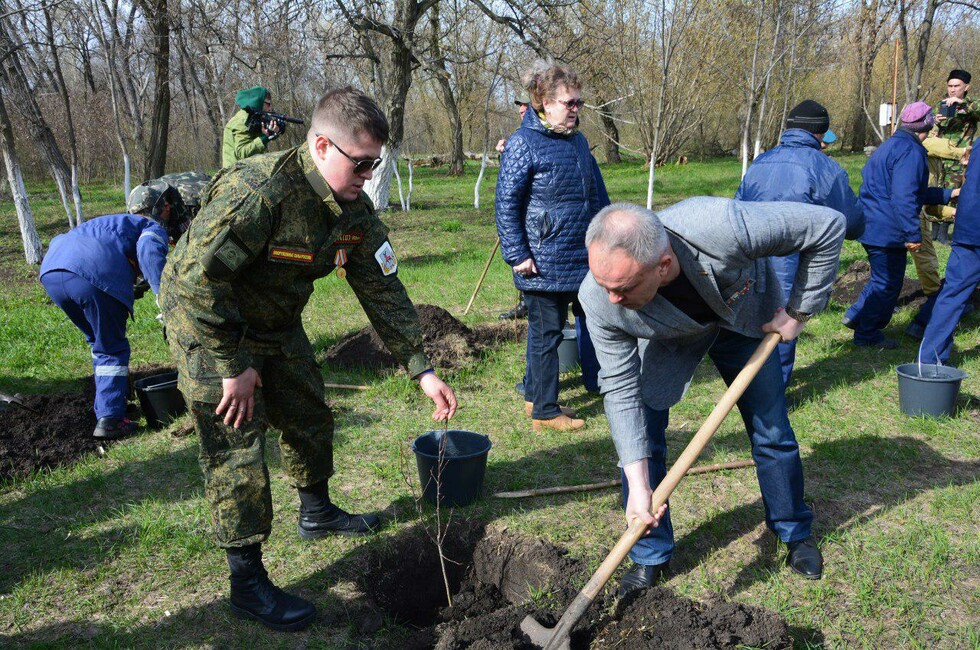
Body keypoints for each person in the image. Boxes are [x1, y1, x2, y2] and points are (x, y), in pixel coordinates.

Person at [160, 87, 458, 632]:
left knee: (309, 416)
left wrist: (423, 368)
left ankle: (316, 511)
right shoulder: (260, 192)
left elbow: (382, 288)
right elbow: (193, 283)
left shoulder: (353, 210)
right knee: (238, 451)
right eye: (362, 163)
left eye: (375, 164)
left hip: (277, 325)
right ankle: (247, 582)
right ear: (322, 146)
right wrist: (232, 364)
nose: (368, 175)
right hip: (211, 327)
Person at [580, 199, 845, 597]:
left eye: (623, 288)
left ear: (663, 265)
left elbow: (826, 225)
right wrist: (638, 484)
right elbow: (619, 387)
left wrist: (799, 311)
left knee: (771, 426)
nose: (612, 299)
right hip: (670, 336)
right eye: (605, 285)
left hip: (743, 315)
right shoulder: (600, 298)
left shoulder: (721, 226)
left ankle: (793, 531)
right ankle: (649, 553)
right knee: (644, 434)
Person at [495, 60, 608, 432]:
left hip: (579, 255)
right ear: (543, 102)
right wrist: (518, 255)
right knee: (547, 333)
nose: (576, 109)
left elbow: (596, 197)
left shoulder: (577, 143)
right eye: (568, 103)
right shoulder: (522, 144)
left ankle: (534, 395)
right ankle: (545, 410)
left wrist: (606, 238)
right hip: (541, 260)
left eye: (578, 102)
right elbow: (506, 204)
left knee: (551, 330)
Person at [39, 181, 189, 440]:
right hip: (91, 274)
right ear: (162, 209)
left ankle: (111, 403)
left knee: (99, 342)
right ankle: (111, 420)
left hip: (52, 270)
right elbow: (150, 254)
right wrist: (166, 303)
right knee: (112, 348)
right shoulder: (150, 226)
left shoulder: (113, 223)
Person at [736, 99, 864, 386]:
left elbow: (737, 208)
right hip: (792, 260)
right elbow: (851, 222)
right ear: (819, 133)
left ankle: (749, 383)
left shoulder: (761, 162)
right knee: (784, 321)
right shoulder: (826, 170)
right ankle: (772, 396)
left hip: (752, 255)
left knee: (756, 319)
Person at [844, 102, 958, 349]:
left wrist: (949, 193)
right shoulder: (911, 152)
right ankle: (868, 335)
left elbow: (913, 192)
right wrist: (912, 234)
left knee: (880, 278)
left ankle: (856, 315)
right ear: (927, 124)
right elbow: (905, 197)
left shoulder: (892, 145)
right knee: (888, 284)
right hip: (886, 229)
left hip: (871, 223)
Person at [918, 148, 978, 364]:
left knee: (952, 293)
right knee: (953, 293)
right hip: (971, 228)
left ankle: (929, 359)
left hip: (969, 227)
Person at [497, 95, 531, 321]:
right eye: (519, 107)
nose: (520, 109)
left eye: (524, 105)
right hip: (520, 210)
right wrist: (505, 156)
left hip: (537, 212)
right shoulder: (519, 139)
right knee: (520, 255)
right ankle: (524, 304)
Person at [221, 86, 282, 167]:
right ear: (258, 102)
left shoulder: (255, 117)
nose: (270, 108)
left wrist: (275, 131)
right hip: (234, 172)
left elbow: (259, 135)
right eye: (268, 104)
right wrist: (265, 137)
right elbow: (242, 153)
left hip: (247, 169)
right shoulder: (242, 122)